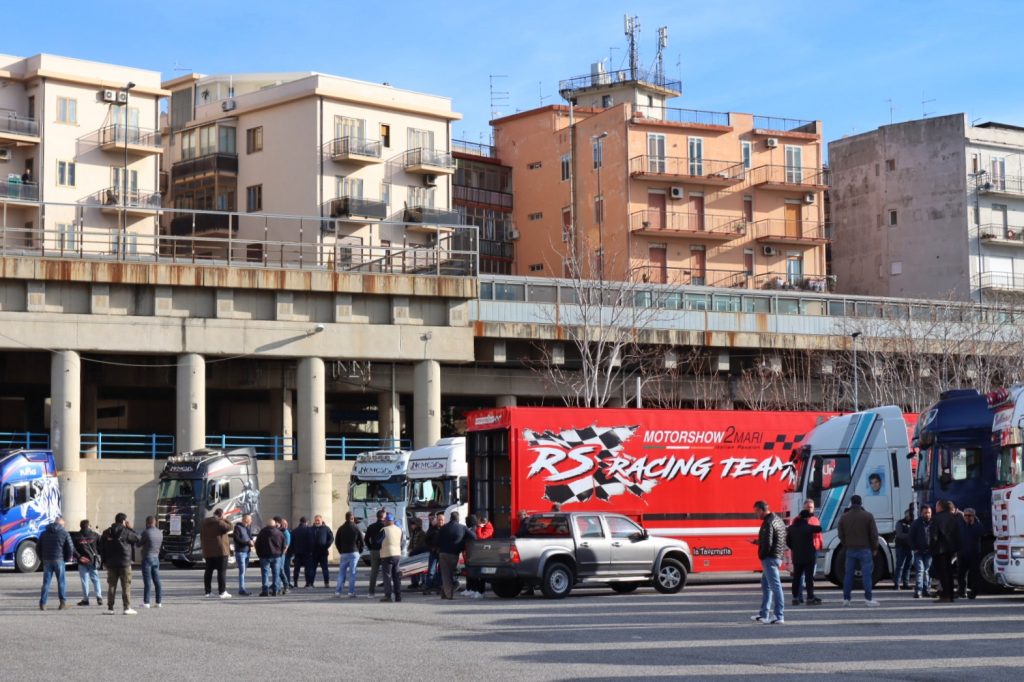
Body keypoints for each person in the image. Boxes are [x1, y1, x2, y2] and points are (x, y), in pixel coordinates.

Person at [837, 494, 880, 607]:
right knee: (866, 575)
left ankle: (846, 599)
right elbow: (874, 534)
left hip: (850, 549)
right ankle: (868, 599)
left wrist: (845, 543)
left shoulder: (844, 517)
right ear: (861, 503)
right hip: (865, 549)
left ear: (851, 502)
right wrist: (875, 547)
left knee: (848, 575)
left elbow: (840, 534)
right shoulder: (868, 516)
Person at [751, 500, 786, 624]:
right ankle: (763, 614)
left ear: (761, 510)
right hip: (776, 556)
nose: (756, 514)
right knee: (766, 585)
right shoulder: (778, 520)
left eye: (756, 511)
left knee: (775, 586)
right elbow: (778, 538)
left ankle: (778, 615)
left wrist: (762, 555)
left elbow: (768, 543)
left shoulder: (768, 522)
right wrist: (757, 542)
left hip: (770, 558)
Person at [100, 512, 140, 615]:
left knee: (111, 586)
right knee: (126, 586)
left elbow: (101, 548)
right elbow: (137, 538)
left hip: (111, 563)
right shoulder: (126, 532)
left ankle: (110, 608)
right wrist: (130, 528)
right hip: (125, 563)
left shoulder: (106, 532)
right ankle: (126, 608)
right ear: (123, 521)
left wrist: (104, 561)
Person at [786, 509, 822, 605]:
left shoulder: (791, 528)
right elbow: (819, 528)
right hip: (809, 557)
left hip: (797, 557)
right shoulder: (809, 527)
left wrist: (795, 548)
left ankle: (795, 598)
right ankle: (810, 598)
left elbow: (788, 542)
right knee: (809, 578)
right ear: (806, 518)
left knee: (796, 578)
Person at [38, 516, 74, 611]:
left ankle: (43, 603)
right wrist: (66, 558)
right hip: (59, 560)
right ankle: (62, 603)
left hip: (46, 560)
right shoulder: (64, 533)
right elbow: (70, 548)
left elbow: (38, 547)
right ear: (61, 524)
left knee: (46, 583)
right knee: (61, 582)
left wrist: (41, 558)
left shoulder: (44, 533)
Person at [930, 499, 961, 602]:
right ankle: (950, 595)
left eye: (936, 505)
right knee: (949, 573)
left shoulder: (936, 518)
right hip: (951, 549)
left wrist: (930, 546)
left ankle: (946, 595)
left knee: (943, 574)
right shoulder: (954, 517)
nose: (935, 507)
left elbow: (933, 535)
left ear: (941, 507)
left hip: (939, 549)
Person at [436, 511, 471, 600]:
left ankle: (445, 594)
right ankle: (448, 595)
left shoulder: (443, 528)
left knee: (445, 574)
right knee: (449, 574)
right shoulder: (462, 528)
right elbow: (473, 537)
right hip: (454, 554)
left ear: (450, 518)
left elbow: (437, 540)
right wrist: (463, 543)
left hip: (443, 553)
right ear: (458, 518)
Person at [200, 508, 233, 599]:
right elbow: (230, 527)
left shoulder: (204, 523)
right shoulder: (219, 522)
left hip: (208, 551)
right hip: (220, 551)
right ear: (221, 515)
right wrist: (225, 519)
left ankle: (208, 591)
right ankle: (222, 592)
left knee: (208, 572)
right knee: (221, 572)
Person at [71, 519, 103, 607]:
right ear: (88, 526)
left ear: (80, 526)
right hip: (93, 561)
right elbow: (101, 546)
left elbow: (72, 548)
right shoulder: (95, 535)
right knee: (95, 579)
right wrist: (98, 555)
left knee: (84, 581)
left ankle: (86, 599)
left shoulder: (76, 536)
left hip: (82, 561)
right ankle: (99, 597)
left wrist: (79, 556)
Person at [334, 511, 364, 598]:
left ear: (345, 518)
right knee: (352, 573)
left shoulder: (341, 528)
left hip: (344, 553)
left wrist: (341, 551)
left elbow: (337, 542)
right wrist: (359, 551)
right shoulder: (356, 528)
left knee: (341, 573)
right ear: (352, 518)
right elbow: (362, 541)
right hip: (354, 552)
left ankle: (338, 592)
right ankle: (351, 592)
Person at [957, 507, 985, 600]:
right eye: (965, 515)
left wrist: (973, 523)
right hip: (962, 553)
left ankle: (973, 592)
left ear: (973, 516)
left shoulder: (977, 525)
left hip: (974, 553)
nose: (967, 517)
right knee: (961, 574)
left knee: (974, 574)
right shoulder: (961, 524)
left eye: (969, 515)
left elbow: (980, 533)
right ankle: (961, 592)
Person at [255, 517, 286, 596]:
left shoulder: (262, 532)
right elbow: (283, 545)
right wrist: (281, 553)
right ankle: (275, 590)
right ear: (275, 524)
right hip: (277, 556)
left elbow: (257, 544)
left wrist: (259, 554)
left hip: (264, 556)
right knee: (276, 573)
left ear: (266, 524)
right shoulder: (279, 533)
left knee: (265, 573)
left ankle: (265, 591)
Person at [138, 516, 163, 609]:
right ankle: (158, 602)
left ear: (147, 522)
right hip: (156, 558)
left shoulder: (146, 532)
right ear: (155, 522)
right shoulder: (159, 533)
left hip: (147, 558)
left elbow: (138, 544)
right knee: (157, 581)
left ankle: (146, 602)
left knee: (147, 581)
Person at [910, 504, 933, 598]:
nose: (927, 514)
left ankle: (926, 590)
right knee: (920, 570)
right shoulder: (916, 523)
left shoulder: (933, 523)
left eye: (929, 513)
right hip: (918, 551)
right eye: (925, 513)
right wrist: (914, 548)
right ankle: (918, 591)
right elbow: (910, 537)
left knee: (926, 571)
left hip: (929, 551)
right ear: (921, 513)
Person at [379, 513, 403, 602]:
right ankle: (398, 596)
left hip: (387, 555)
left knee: (387, 576)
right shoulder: (399, 529)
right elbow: (401, 542)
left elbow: (377, 541)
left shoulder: (384, 530)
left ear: (387, 521)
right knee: (396, 576)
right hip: (397, 555)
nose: (384, 522)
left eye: (385, 520)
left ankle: (388, 596)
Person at [363, 509, 387, 597]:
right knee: (386, 572)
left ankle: (371, 592)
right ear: (384, 517)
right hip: (384, 551)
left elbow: (366, 539)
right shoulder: (385, 527)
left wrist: (370, 547)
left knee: (374, 572)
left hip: (374, 551)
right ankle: (387, 593)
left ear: (377, 516)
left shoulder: (371, 526)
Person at [232, 514, 255, 596]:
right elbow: (236, 539)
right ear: (246, 520)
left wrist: (252, 541)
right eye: (250, 519)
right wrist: (247, 542)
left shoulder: (248, 527)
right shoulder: (237, 527)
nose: (251, 521)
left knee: (244, 571)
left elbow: (250, 537)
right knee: (242, 572)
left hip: (247, 551)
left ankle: (242, 587)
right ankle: (241, 589)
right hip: (241, 552)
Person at [309, 514, 334, 588]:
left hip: (323, 552)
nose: (317, 522)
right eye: (316, 520)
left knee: (325, 569)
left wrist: (326, 546)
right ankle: (311, 583)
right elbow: (307, 539)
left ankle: (326, 583)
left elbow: (331, 538)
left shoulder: (326, 528)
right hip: (314, 553)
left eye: (318, 520)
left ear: (321, 520)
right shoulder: (311, 529)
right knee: (312, 569)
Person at [893, 506, 914, 590]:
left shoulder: (913, 523)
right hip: (901, 547)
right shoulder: (900, 523)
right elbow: (899, 534)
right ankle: (897, 584)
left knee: (908, 566)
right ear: (906, 515)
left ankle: (906, 583)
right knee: (900, 566)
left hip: (910, 548)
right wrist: (910, 535)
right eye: (909, 515)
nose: (910, 516)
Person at [464, 514, 485, 598]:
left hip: (476, 553)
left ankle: (478, 590)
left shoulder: (475, 529)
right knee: (472, 573)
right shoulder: (472, 529)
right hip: (471, 553)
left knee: (477, 573)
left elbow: (478, 539)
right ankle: (473, 589)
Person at [423, 512, 442, 594]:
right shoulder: (432, 529)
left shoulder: (445, 529)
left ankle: (438, 587)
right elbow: (426, 540)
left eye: (442, 520)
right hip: (433, 552)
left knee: (440, 572)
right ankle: (428, 587)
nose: (440, 521)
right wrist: (432, 548)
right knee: (431, 571)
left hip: (442, 553)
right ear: (437, 520)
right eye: (439, 520)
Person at [290, 517, 311, 588]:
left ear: (300, 522)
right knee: (307, 568)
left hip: (297, 552)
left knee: (296, 569)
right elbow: (312, 542)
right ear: (306, 522)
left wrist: (292, 551)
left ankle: (295, 583)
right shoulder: (309, 530)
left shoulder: (294, 531)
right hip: (307, 553)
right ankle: (307, 583)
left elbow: (291, 543)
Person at [407, 517, 427, 589]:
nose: (412, 525)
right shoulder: (413, 532)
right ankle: (414, 582)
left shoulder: (422, 533)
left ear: (418, 524)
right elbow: (411, 542)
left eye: (413, 524)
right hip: (413, 553)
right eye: (412, 524)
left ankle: (423, 582)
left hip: (419, 554)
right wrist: (409, 549)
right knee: (412, 569)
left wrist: (414, 551)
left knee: (421, 569)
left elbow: (420, 545)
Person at [277, 518, 291, 595]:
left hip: (281, 555)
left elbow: (287, 546)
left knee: (281, 570)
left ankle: (286, 585)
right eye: (283, 524)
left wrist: (282, 554)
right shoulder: (279, 531)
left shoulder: (286, 532)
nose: (285, 525)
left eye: (286, 524)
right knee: (278, 570)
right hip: (278, 554)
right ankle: (277, 586)